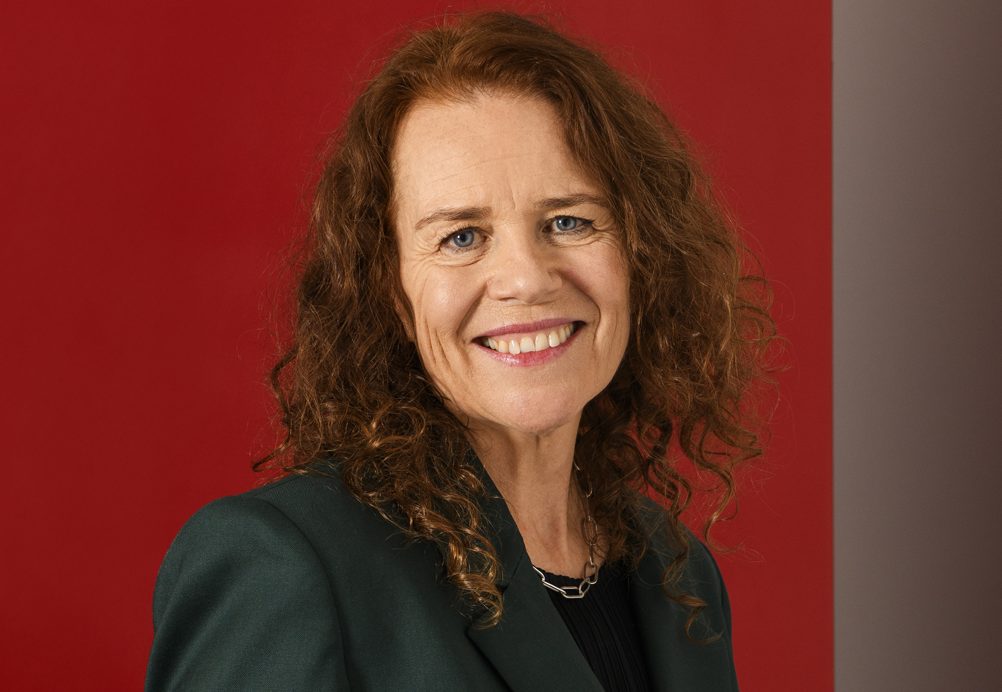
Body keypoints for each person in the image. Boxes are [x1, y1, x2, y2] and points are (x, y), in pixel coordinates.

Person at [146, 11, 774, 692]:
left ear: (640, 254)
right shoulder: (287, 564)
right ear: (388, 289)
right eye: (462, 237)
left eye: (568, 221)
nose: (527, 279)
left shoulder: (680, 577)